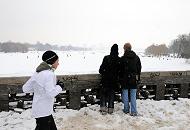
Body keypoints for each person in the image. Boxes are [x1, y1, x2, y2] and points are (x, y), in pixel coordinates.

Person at [22, 50, 64, 130]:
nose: (58, 64)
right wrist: (60, 86)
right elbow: (50, 93)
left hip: (40, 110)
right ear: (52, 61)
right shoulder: (49, 74)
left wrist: (39, 88)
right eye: (57, 61)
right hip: (44, 112)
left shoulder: (37, 72)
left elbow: (25, 88)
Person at [120, 43, 141, 116]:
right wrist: (138, 79)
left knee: (125, 95)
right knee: (133, 96)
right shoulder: (136, 57)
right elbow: (139, 69)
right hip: (133, 79)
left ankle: (126, 109)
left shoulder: (122, 58)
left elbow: (120, 70)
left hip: (125, 79)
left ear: (125, 49)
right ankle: (134, 111)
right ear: (131, 48)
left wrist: (120, 78)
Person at [99, 44, 120, 114]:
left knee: (103, 94)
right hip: (114, 81)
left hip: (105, 80)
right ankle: (110, 109)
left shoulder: (106, 58)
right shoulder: (119, 60)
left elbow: (100, 70)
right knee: (111, 94)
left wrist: (105, 72)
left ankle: (103, 108)